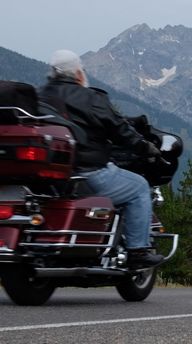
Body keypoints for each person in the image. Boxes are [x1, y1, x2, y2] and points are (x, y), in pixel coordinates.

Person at [39, 49, 163, 268]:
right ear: (78, 74)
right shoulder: (90, 97)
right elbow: (118, 128)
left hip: (49, 177)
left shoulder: (39, 96)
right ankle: (137, 252)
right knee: (139, 188)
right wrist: (144, 146)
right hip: (88, 171)